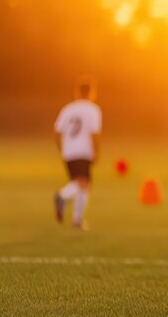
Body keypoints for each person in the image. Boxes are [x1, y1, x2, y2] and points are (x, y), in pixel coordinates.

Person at [54, 79, 102, 231]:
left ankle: (78, 221)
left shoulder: (67, 109)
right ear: (92, 93)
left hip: (68, 151)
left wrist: (62, 149)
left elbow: (56, 132)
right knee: (84, 183)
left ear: (77, 92)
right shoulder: (93, 109)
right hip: (83, 150)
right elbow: (94, 133)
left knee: (82, 185)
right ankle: (63, 195)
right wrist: (96, 152)